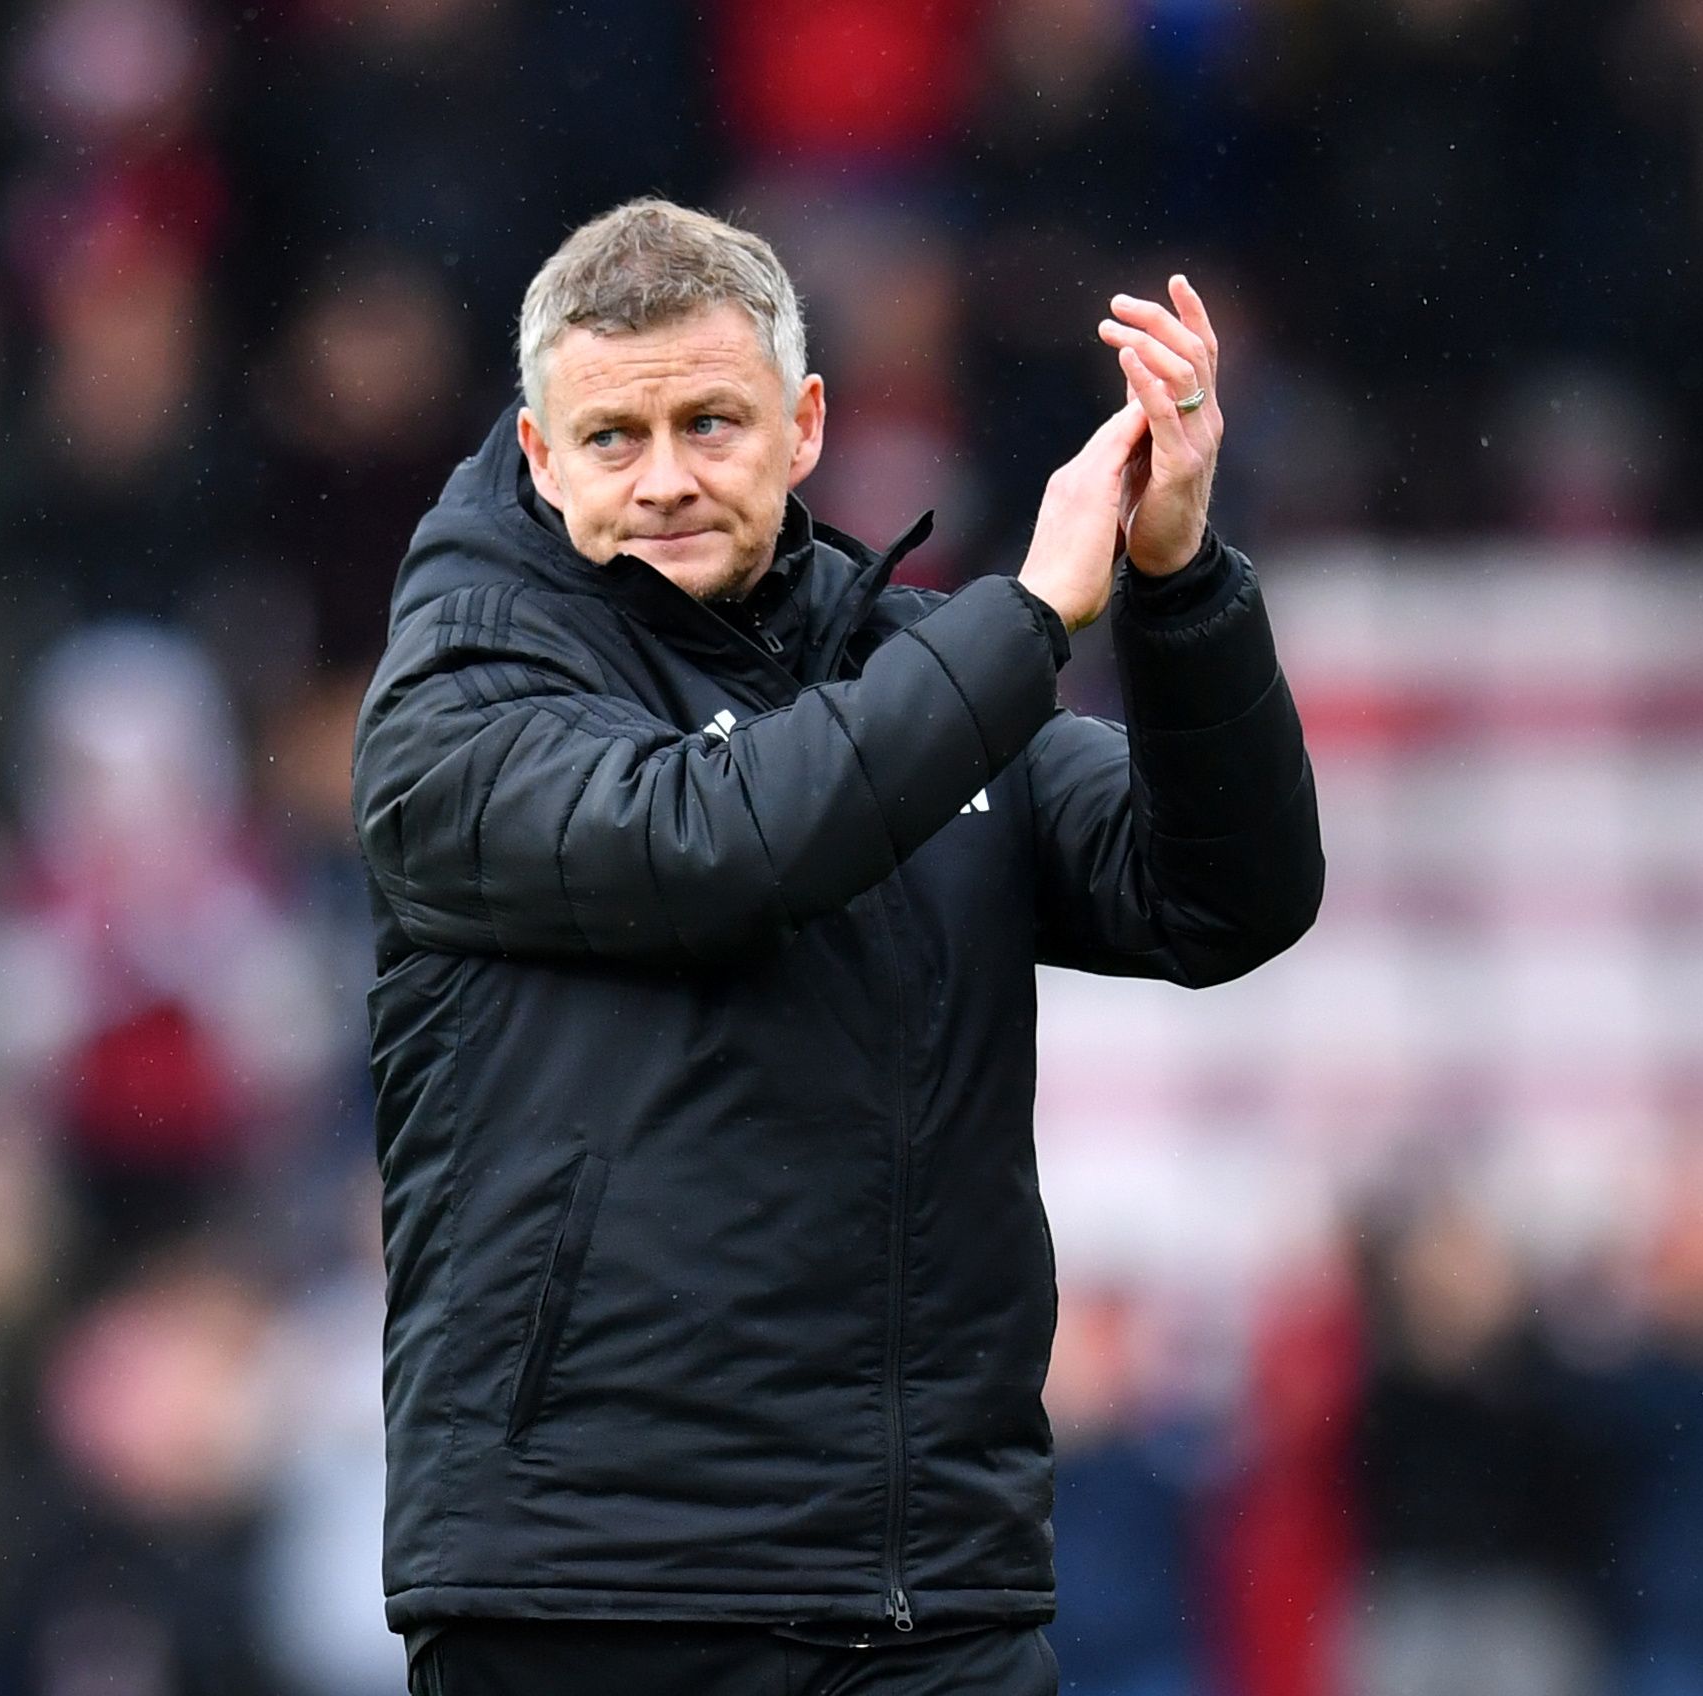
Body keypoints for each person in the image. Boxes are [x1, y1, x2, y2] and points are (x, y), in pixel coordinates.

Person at [351, 199, 1323, 1696]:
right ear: (540, 455)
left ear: (804, 426)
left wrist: (1180, 577)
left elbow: (1225, 898)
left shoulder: (915, 676)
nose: (665, 477)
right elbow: (721, 844)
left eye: (710, 423)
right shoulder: (459, 696)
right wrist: (1029, 618)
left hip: (927, 1600)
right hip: (589, 1601)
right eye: (613, 437)